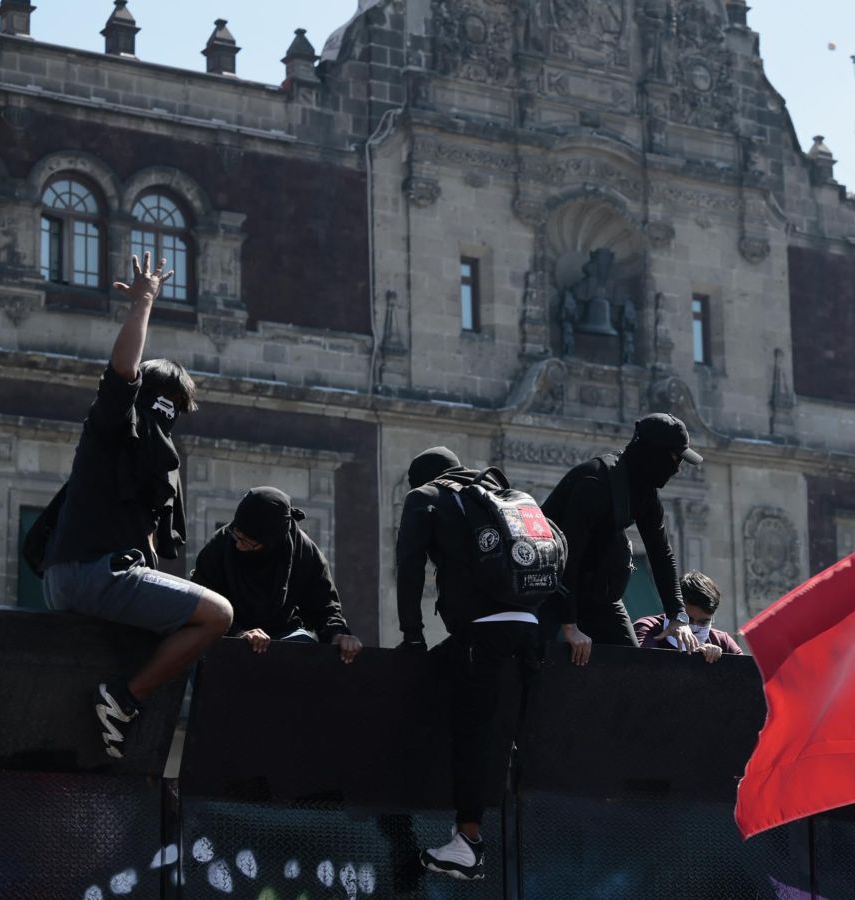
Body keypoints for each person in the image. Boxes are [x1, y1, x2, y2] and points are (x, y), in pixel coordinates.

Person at [39, 252, 233, 759]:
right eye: (168, 408)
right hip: (91, 575)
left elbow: (150, 547)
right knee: (217, 615)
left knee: (173, 621)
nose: (168, 423)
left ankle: (120, 710)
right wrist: (144, 300)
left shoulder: (153, 467)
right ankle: (123, 698)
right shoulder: (112, 426)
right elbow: (123, 370)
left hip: (79, 577)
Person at [396, 447, 558, 882]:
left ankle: (467, 841)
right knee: (512, 734)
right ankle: (527, 834)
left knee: (472, 731)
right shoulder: (496, 491)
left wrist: (412, 636)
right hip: (529, 628)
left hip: (483, 632)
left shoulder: (425, 497)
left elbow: (408, 568)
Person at [539, 413, 704, 664]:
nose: (678, 468)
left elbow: (661, 554)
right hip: (551, 587)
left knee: (629, 668)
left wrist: (678, 617)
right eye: (675, 458)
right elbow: (568, 559)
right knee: (532, 664)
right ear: (653, 454)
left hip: (599, 592)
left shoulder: (645, 492)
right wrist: (570, 625)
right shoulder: (595, 482)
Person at [190, 486, 362, 663]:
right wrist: (238, 632)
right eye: (237, 535)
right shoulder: (220, 547)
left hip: (284, 631)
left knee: (303, 650)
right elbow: (200, 604)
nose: (238, 545)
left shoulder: (304, 551)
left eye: (248, 542)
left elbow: (325, 606)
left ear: (271, 542)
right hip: (228, 630)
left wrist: (338, 634)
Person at [634, 570, 743, 663]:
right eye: (687, 619)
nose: (695, 627)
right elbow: (646, 670)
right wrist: (695, 659)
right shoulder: (648, 629)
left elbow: (747, 678)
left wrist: (720, 661)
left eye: (703, 622)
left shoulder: (722, 642)